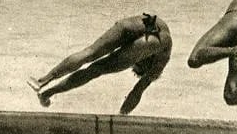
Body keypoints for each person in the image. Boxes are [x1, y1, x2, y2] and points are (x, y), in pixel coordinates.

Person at [27, 13, 172, 115]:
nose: (133, 64)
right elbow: (137, 91)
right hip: (154, 41)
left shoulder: (163, 27)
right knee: (95, 70)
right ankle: (47, 93)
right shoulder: (158, 66)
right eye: (136, 65)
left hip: (135, 24)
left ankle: (42, 81)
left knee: (89, 52)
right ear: (146, 64)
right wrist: (123, 115)